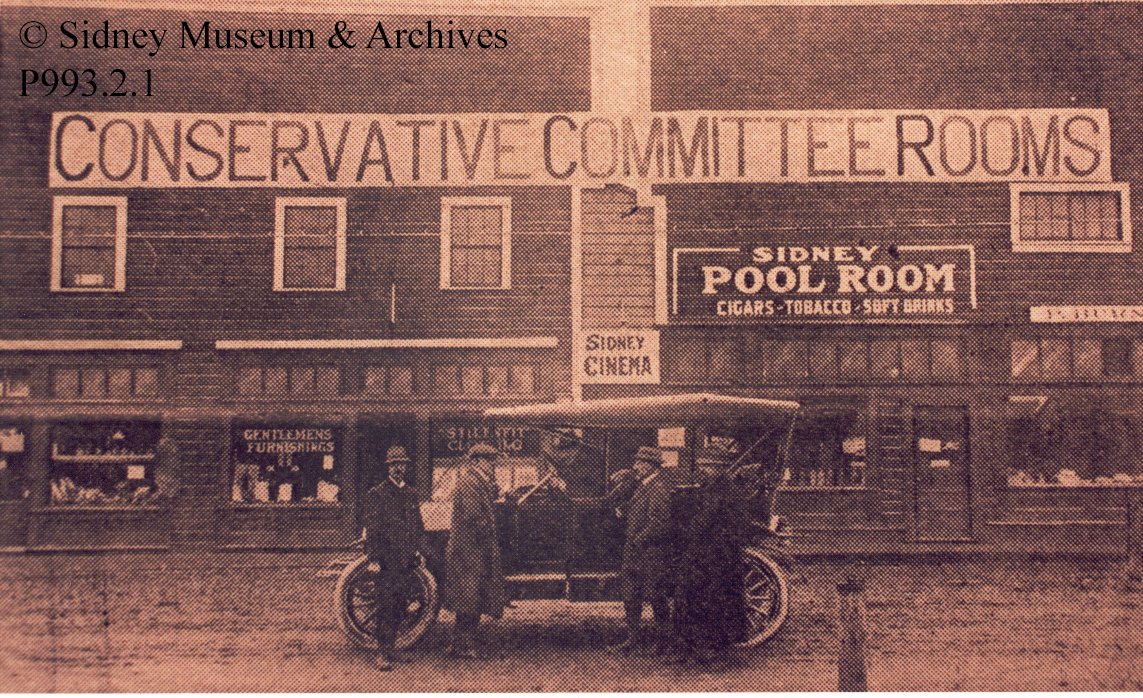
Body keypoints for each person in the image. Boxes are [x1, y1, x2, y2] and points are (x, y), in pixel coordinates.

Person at [362, 445, 426, 671]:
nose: (399, 468)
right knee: (386, 605)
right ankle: (382, 653)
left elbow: (418, 525)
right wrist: (373, 559)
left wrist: (418, 550)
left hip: (406, 560)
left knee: (401, 605)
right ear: (388, 468)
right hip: (387, 560)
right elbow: (373, 529)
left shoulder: (411, 493)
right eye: (395, 465)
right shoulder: (377, 494)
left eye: (403, 464)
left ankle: (393, 650)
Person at [441, 442, 507, 658]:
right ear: (478, 461)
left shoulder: (477, 480)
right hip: (468, 551)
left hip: (472, 549)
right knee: (468, 598)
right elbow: (472, 516)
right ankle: (461, 646)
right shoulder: (470, 482)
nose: (493, 465)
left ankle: (461, 643)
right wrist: (489, 535)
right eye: (489, 461)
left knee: (471, 597)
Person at [610, 446, 674, 655]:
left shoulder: (658, 488)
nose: (635, 467)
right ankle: (632, 640)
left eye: (639, 463)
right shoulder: (644, 485)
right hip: (636, 552)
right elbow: (639, 507)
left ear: (650, 466)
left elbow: (659, 523)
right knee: (631, 597)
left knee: (656, 597)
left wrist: (638, 540)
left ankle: (664, 643)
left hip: (649, 552)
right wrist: (624, 510)